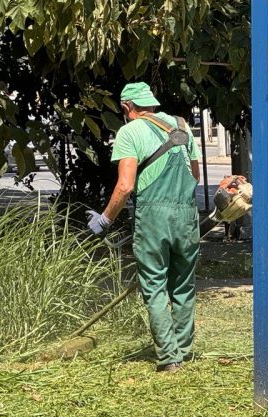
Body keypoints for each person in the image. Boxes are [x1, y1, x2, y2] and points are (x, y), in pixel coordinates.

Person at [86, 82, 201, 373]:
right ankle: (184, 351)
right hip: (186, 216)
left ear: (127, 107)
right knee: (183, 285)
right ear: (151, 102)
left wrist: (104, 219)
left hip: (153, 217)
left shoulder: (129, 132)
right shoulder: (182, 126)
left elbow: (125, 186)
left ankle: (169, 358)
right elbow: (195, 175)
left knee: (154, 285)